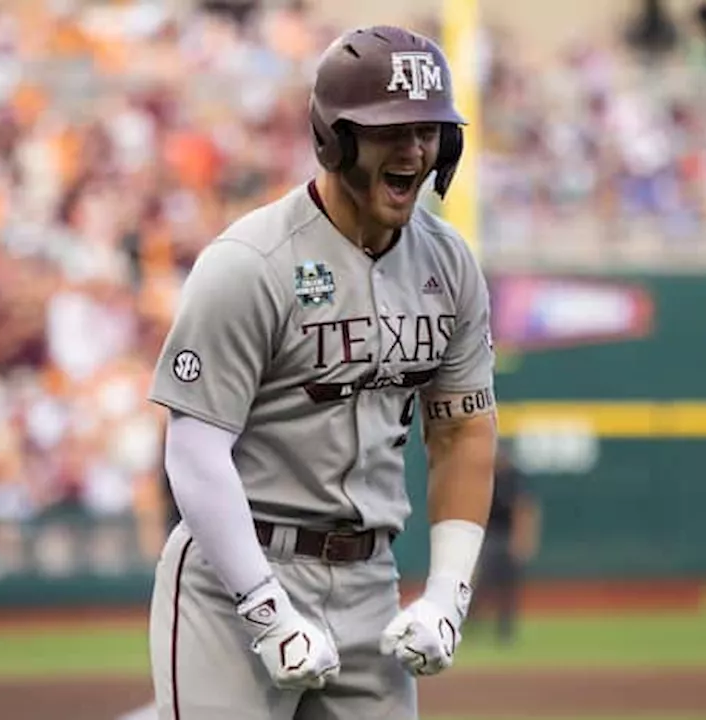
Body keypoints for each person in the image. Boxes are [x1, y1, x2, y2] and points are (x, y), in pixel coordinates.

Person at [145, 24, 498, 720]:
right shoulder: (248, 262)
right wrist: (264, 607)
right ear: (335, 139)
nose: (414, 149)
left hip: (370, 580)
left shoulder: (450, 264)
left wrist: (448, 595)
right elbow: (193, 449)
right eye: (389, 130)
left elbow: (464, 434)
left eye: (427, 129)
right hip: (235, 574)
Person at [473, 445, 540, 645]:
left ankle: (505, 631)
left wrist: (522, 540)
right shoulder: (486, 477)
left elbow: (525, 509)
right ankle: (470, 623)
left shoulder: (514, 478)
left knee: (509, 587)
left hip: (507, 536)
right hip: (490, 536)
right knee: (483, 584)